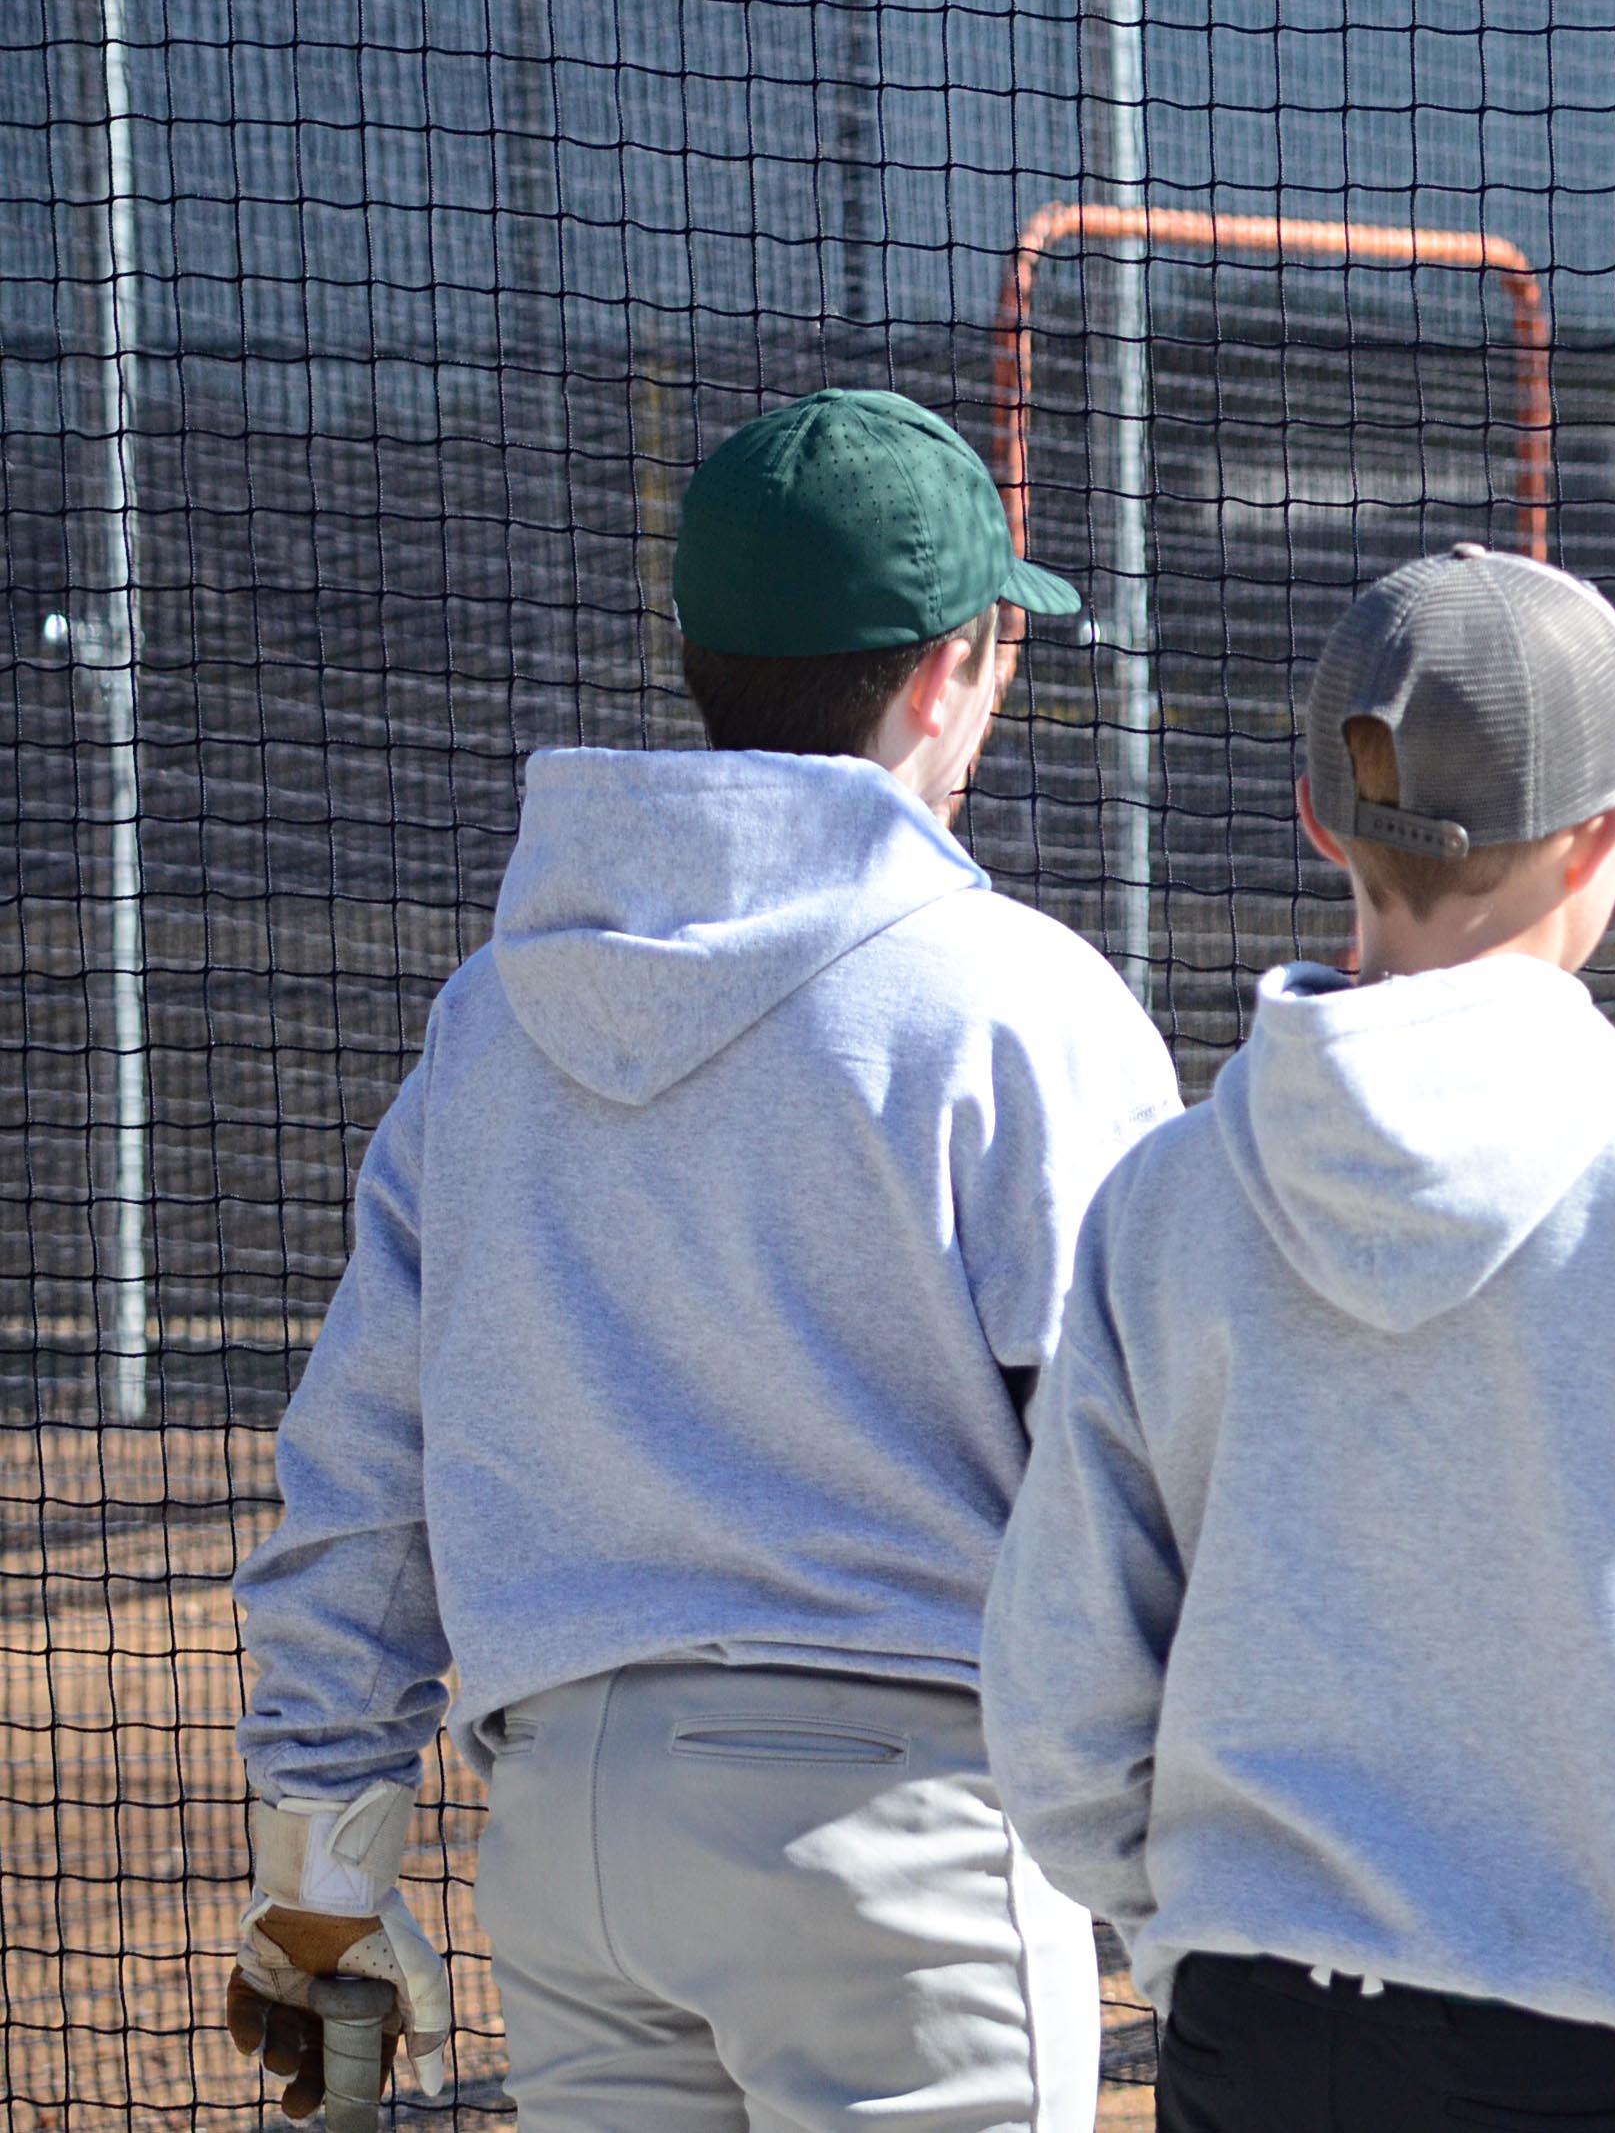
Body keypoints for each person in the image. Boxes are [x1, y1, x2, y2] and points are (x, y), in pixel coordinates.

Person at [227, 389, 1180, 2130]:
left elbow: (367, 1474)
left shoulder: (494, 1018)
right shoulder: (1020, 1000)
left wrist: (323, 1862)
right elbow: (1145, 1478)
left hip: (577, 1847)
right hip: (901, 1838)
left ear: (697, 648)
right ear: (948, 671)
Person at [981, 545, 1615, 2133]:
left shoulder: (1162, 1198)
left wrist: (1203, 1935)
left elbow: (1061, 1694)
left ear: (1317, 819)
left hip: (1259, 2048)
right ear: (1605, 836)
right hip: (1609, 2060)